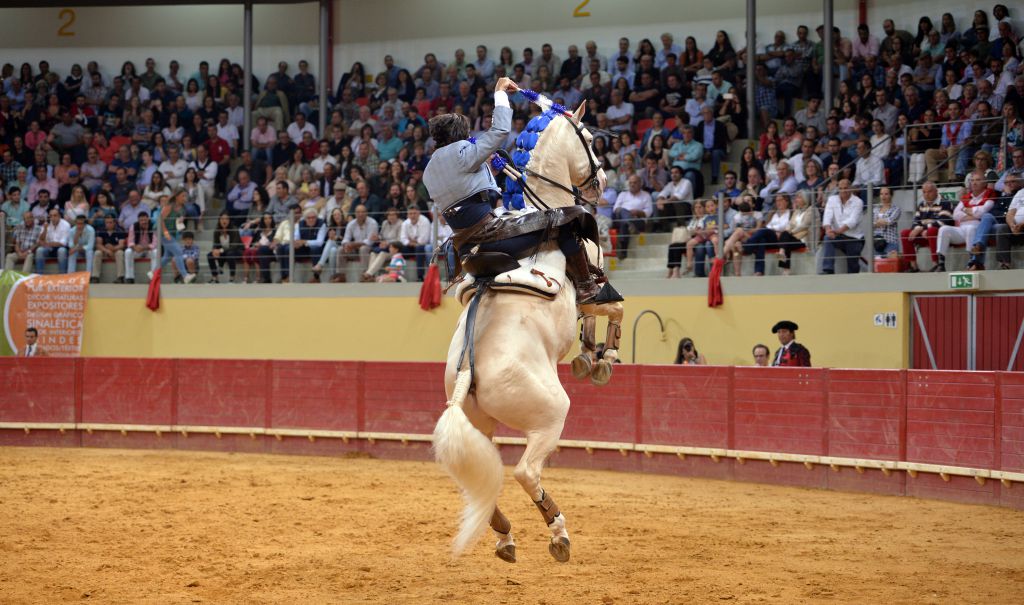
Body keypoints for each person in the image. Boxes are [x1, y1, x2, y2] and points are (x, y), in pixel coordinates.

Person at [422, 76, 605, 303]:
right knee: (568, 219)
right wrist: (499, 93)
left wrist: (487, 171)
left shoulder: (429, 170)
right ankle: (587, 287)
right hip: (490, 237)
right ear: (460, 136)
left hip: (464, 247)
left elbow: (461, 190)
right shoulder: (462, 153)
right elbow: (499, 131)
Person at [820, 179, 864, 275]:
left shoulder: (858, 202)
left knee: (852, 268)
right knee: (827, 238)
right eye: (840, 188)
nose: (843, 190)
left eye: (845, 188)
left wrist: (837, 231)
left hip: (854, 237)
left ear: (851, 188)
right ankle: (828, 270)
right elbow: (827, 216)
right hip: (838, 236)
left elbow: (852, 221)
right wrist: (828, 230)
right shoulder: (832, 199)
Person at [94, 216, 127, 283]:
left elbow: (121, 245)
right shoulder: (101, 231)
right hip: (104, 251)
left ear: (114, 223)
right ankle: (95, 277)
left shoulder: (119, 231)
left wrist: (113, 249)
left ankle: (120, 277)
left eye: (110, 222)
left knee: (120, 252)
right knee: (97, 252)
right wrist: (107, 250)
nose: (108, 224)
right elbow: (98, 244)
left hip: (115, 251)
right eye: (107, 223)